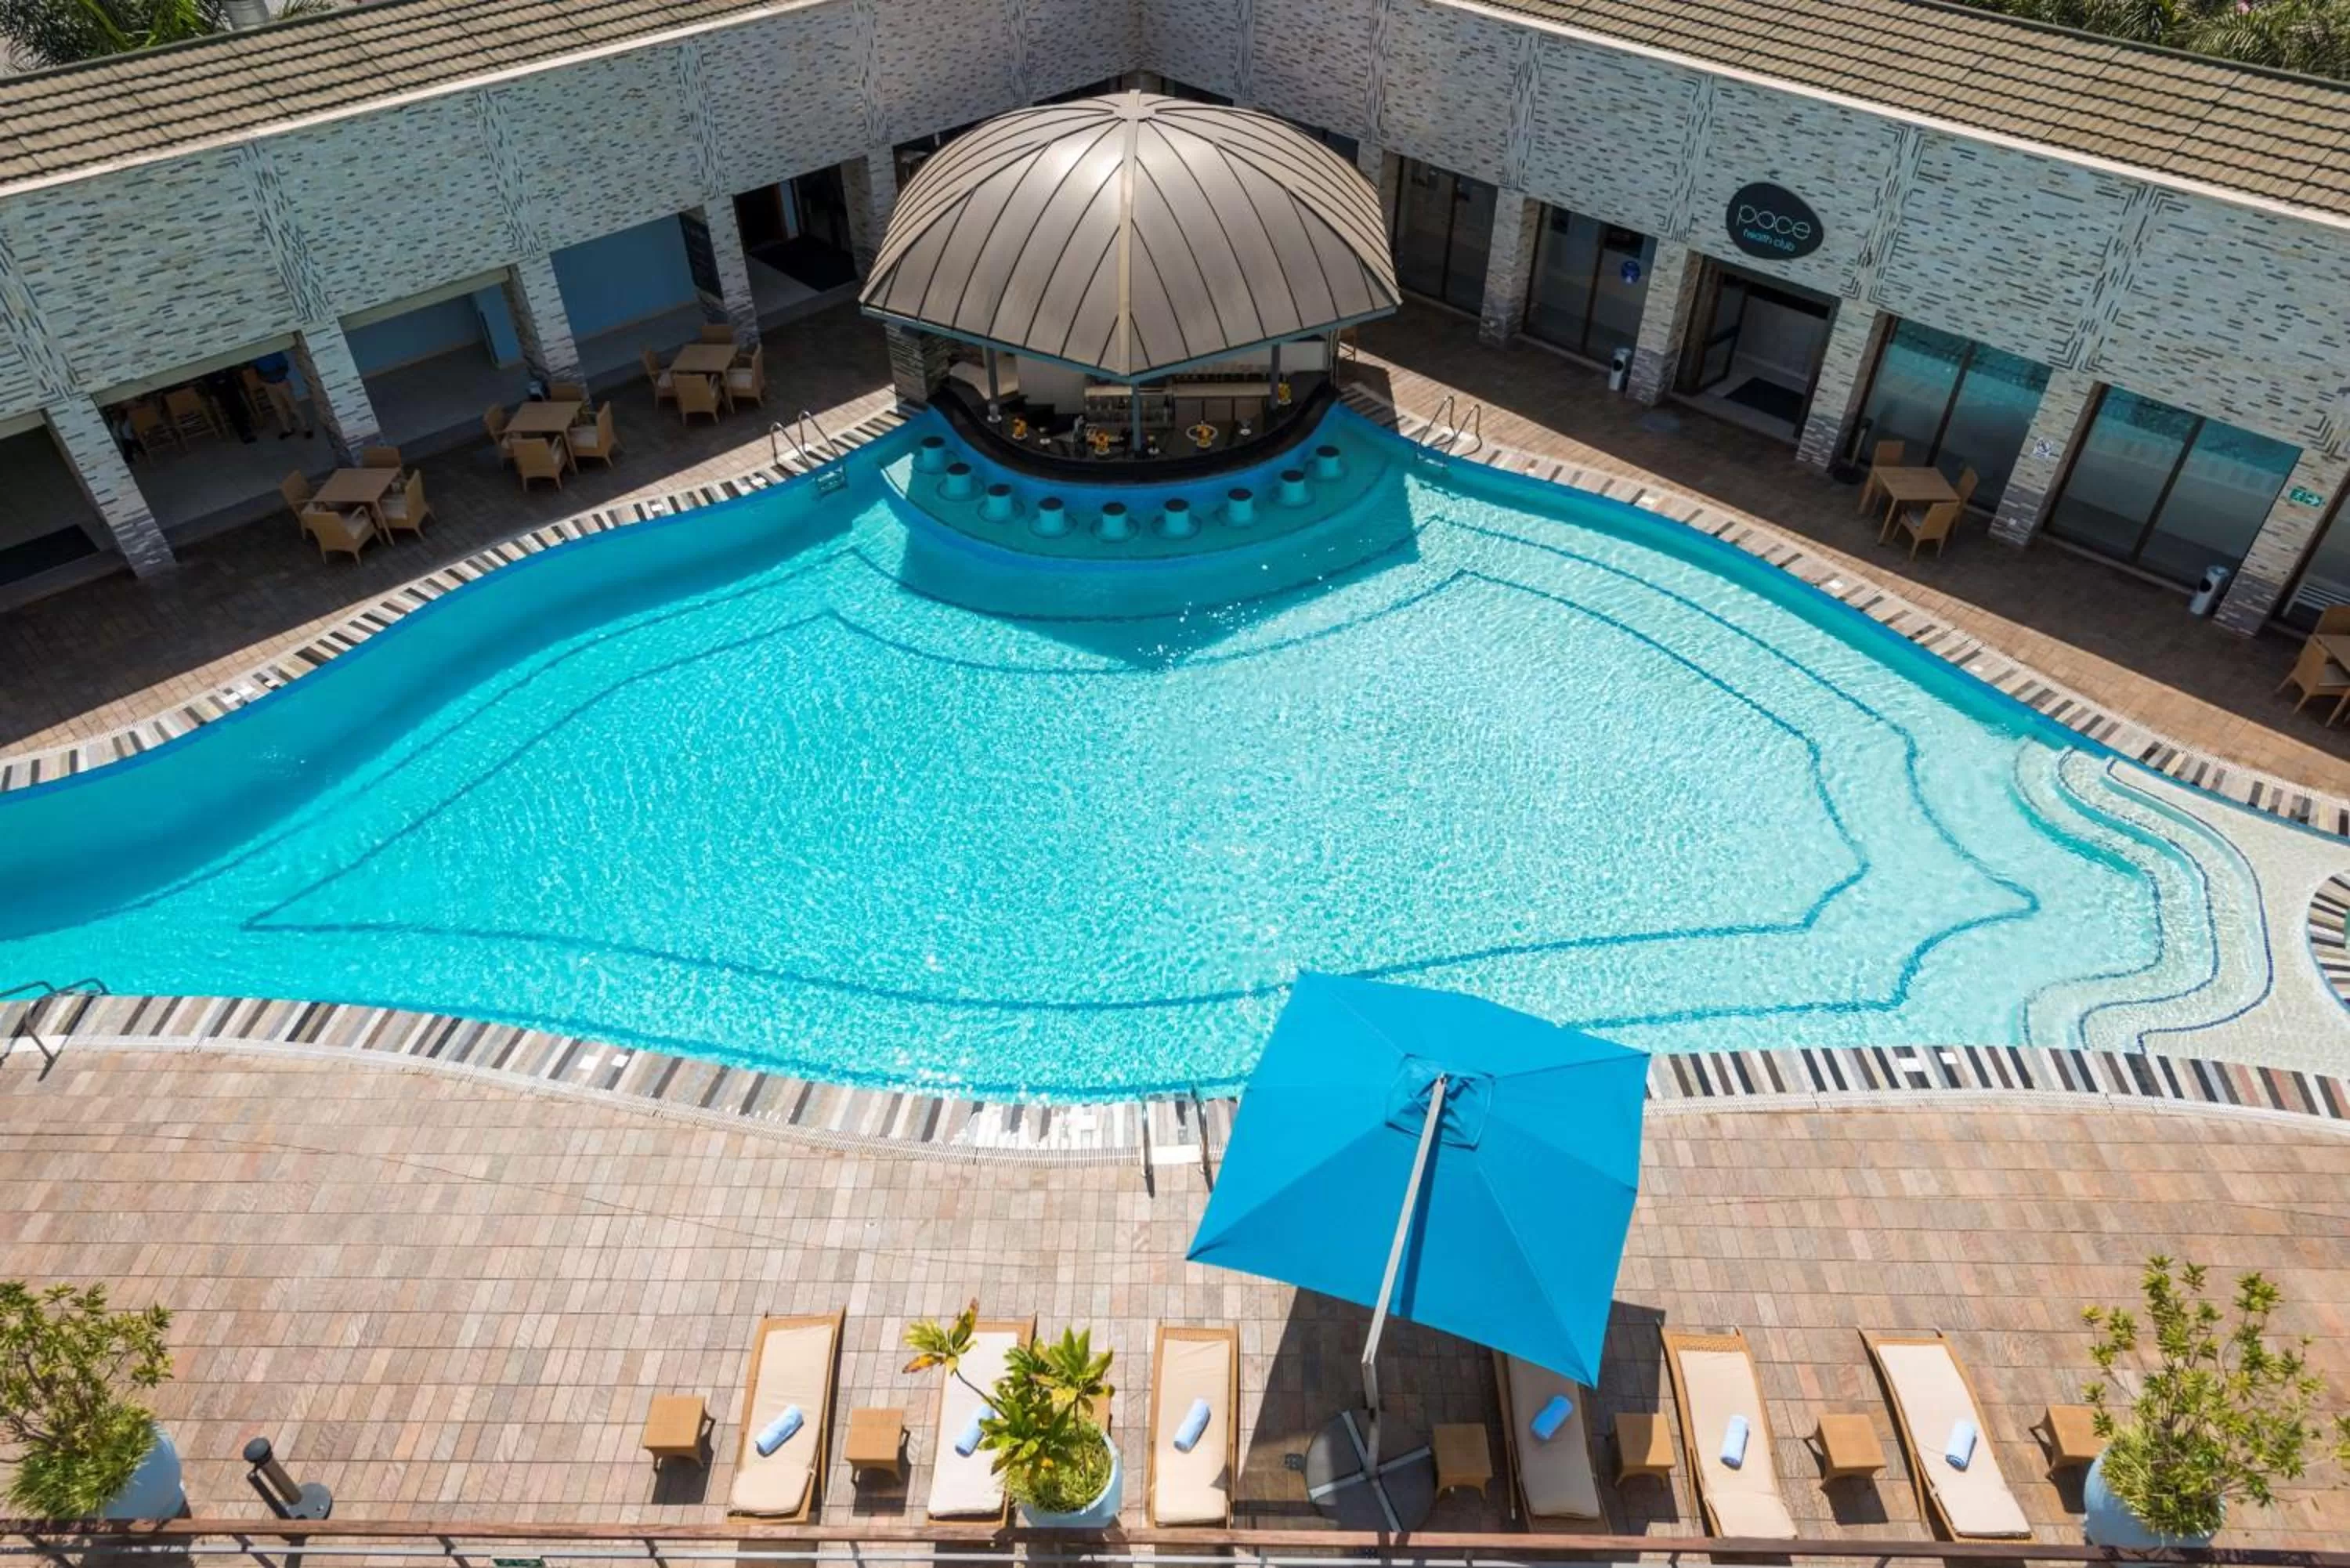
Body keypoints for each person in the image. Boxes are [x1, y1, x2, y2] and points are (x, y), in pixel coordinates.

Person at [251, 352, 313, 440]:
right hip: (268, 384)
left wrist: (272, 374)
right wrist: (264, 376)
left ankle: (306, 428)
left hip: (281, 382)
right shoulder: (256, 355)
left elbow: (285, 367)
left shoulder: (275, 353)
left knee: (294, 406)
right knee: (279, 408)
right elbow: (256, 369)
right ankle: (287, 429)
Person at [200, 368, 255, 443]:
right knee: (233, 408)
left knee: (236, 407)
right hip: (222, 390)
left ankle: (245, 430)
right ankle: (244, 431)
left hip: (228, 387)